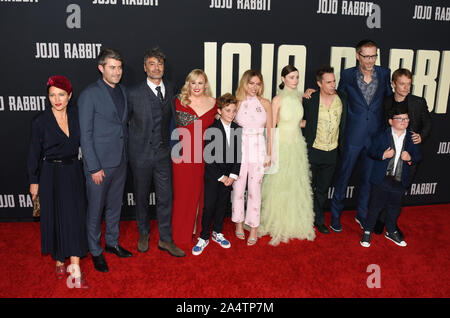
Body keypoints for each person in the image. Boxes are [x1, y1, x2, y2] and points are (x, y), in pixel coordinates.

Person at [27, 75, 89, 288]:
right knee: (55, 217)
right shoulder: (40, 120)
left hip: (73, 171)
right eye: (52, 95)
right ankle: (59, 257)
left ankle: (75, 264)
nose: (57, 99)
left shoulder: (77, 115)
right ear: (48, 97)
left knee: (74, 216)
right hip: (50, 174)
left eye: (61, 94)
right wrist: (33, 180)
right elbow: (34, 152)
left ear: (69, 95)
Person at [329, 39, 393, 232]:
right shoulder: (348, 75)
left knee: (368, 179)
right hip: (353, 135)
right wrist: (313, 94)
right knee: (343, 176)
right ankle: (335, 216)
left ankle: (362, 215)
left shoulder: (384, 73)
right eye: (366, 56)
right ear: (358, 55)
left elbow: (389, 99)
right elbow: (337, 97)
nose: (370, 60)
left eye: (373, 56)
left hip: (375, 136)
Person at [78, 48, 132, 273]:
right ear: (101, 68)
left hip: (120, 161)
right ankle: (96, 251)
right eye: (112, 67)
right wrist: (94, 167)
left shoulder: (123, 91)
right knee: (95, 210)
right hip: (99, 165)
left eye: (119, 67)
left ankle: (111, 243)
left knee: (113, 208)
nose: (117, 72)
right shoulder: (89, 94)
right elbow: (85, 134)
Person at [127, 48, 185, 257]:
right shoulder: (132, 93)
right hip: (140, 155)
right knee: (141, 197)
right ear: (145, 68)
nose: (157, 67)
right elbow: (124, 123)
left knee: (165, 197)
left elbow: (176, 118)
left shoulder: (170, 87)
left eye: (160, 64)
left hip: (163, 154)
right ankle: (143, 232)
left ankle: (165, 239)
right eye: (152, 63)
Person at [259, 65, 315, 245]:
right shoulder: (277, 99)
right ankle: (277, 220)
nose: (295, 80)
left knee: (295, 183)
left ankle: (294, 221)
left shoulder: (300, 97)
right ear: (283, 79)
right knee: (279, 184)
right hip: (281, 145)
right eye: (291, 77)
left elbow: (300, 123)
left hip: (297, 144)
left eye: (297, 77)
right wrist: (270, 151)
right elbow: (272, 126)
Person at [374, 68, 432, 236]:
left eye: (409, 84)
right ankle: (378, 219)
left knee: (399, 193)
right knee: (383, 189)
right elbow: (380, 126)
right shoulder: (385, 102)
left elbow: (427, 123)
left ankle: (387, 222)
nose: (406, 88)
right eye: (402, 84)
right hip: (389, 155)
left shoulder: (418, 102)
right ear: (393, 84)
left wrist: (421, 136)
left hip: (408, 155)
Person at [360, 104, 421, 247]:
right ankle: (367, 232)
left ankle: (391, 231)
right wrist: (383, 155)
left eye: (406, 119)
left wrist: (410, 158)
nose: (403, 122)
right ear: (390, 121)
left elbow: (418, 156)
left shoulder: (412, 138)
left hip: (400, 180)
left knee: (394, 207)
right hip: (382, 179)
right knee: (375, 207)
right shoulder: (382, 135)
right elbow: (371, 151)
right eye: (399, 119)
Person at [171, 69, 217, 247]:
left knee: (203, 195)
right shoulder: (178, 101)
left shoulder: (215, 103)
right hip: (183, 156)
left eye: (200, 82)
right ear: (187, 84)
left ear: (205, 84)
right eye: (193, 82)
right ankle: (182, 232)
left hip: (207, 155)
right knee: (183, 195)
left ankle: (198, 229)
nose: (197, 86)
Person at [192, 93, 242, 255]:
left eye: (234, 111)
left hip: (229, 177)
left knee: (222, 205)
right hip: (214, 176)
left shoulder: (238, 129)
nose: (231, 114)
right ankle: (204, 235)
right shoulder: (211, 130)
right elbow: (208, 157)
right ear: (219, 111)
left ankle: (217, 233)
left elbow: (238, 155)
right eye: (228, 110)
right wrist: (221, 177)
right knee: (209, 206)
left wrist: (233, 176)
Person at [303, 66, 347, 234]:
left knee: (322, 190)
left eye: (334, 81)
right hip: (313, 150)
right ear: (319, 83)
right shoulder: (310, 99)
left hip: (332, 152)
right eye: (328, 82)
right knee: (307, 188)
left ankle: (319, 220)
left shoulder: (343, 98)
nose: (332, 85)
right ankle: (305, 219)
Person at [232, 69, 272, 246]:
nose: (254, 87)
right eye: (251, 83)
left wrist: (270, 153)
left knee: (255, 190)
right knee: (238, 189)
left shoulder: (265, 103)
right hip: (239, 150)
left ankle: (254, 227)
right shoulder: (237, 102)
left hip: (259, 150)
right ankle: (239, 224)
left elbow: (270, 130)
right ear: (244, 83)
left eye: (258, 83)